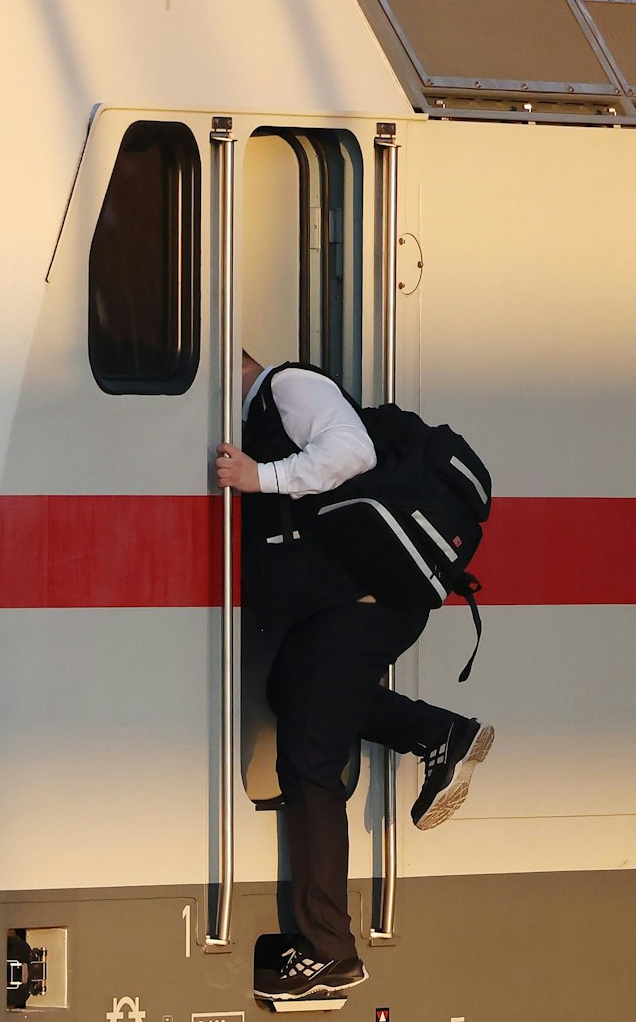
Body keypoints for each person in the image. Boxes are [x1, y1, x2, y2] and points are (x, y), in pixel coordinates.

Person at [216, 350, 495, 1003]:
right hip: (356, 601)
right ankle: (443, 734)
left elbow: (351, 453)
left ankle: (328, 953)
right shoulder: (270, 403)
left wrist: (261, 476)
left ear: (235, 365)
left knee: (311, 756)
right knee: (291, 689)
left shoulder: (288, 386)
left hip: (369, 602)